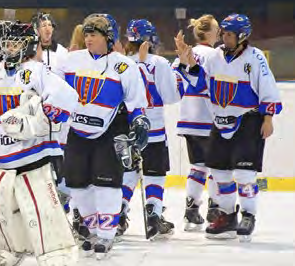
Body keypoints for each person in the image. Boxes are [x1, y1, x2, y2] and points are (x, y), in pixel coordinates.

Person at [0, 21, 79, 266]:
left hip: (31, 156)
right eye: (6, 42)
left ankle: (56, 255)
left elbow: (67, 97)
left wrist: (47, 114)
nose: (9, 48)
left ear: (28, 44)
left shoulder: (35, 70)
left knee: (43, 213)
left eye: (15, 42)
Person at [175, 13, 282, 242]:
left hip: (248, 121)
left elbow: (268, 89)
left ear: (242, 36)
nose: (224, 37)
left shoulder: (255, 58)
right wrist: (188, 61)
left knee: (244, 174)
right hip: (219, 121)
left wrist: (268, 118)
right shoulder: (215, 56)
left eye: (229, 34)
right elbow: (201, 82)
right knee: (219, 173)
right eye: (223, 33)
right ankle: (227, 216)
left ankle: (248, 214)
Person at [58, 14, 148, 258]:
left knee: (107, 183)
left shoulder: (124, 65)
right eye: (86, 34)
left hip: (111, 130)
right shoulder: (70, 61)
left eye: (94, 34)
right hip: (77, 130)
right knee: (77, 182)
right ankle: (92, 229)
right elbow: (53, 89)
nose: (88, 39)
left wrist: (139, 121)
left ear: (109, 38)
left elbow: (136, 102)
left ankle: (107, 235)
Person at [117, 19, 180, 240]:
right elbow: (172, 96)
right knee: (154, 174)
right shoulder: (160, 63)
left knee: (127, 174)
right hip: (153, 129)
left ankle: (118, 216)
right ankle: (153, 216)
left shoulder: (121, 63)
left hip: (128, 128)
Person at [172, 14, 220, 231]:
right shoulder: (215, 55)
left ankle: (191, 209)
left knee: (198, 166)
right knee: (218, 167)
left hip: (188, 119)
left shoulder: (184, 54)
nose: (219, 32)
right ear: (208, 32)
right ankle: (216, 208)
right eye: (216, 29)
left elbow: (174, 85)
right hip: (209, 119)